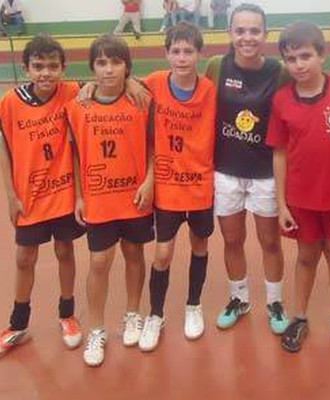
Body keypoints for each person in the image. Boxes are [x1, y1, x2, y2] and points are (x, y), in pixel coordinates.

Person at [267, 21, 330, 358]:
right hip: (301, 199)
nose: (299, 65)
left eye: (306, 56)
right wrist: (281, 203)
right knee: (306, 256)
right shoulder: (281, 100)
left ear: (322, 54)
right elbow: (279, 152)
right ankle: (300, 316)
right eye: (291, 59)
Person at [67, 34, 155, 367]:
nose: (108, 69)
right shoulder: (78, 105)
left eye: (116, 62)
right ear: (91, 67)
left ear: (127, 67)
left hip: (133, 195)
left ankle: (133, 314)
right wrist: (78, 195)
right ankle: (97, 329)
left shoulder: (142, 100)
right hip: (98, 198)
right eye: (101, 63)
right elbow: (74, 155)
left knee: (134, 253)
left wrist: (150, 179)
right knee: (99, 263)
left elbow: (152, 146)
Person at [204, 3, 290, 335]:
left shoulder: (279, 71)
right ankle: (239, 298)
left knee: (270, 242)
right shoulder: (216, 66)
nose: (247, 37)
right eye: (240, 30)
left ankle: (274, 302)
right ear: (230, 34)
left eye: (254, 30)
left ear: (265, 34)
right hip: (226, 171)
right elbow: (186, 91)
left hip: (266, 172)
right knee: (232, 239)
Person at [0, 34, 85, 357]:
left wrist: (80, 194)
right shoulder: (10, 102)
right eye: (38, 66)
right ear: (26, 69)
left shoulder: (73, 92)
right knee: (25, 257)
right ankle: (18, 323)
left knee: (65, 251)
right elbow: (5, 149)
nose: (45, 73)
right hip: (30, 194)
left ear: (64, 69)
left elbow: (113, 85)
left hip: (63, 192)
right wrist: (10, 194)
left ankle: (67, 314)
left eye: (53, 66)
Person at [137, 22, 216, 352]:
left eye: (188, 51)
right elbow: (118, 87)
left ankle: (193, 305)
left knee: (199, 246)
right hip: (168, 186)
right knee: (163, 253)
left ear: (199, 53)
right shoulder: (152, 84)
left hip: (200, 185)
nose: (182, 57)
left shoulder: (210, 89)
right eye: (176, 51)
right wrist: (85, 89)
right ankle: (155, 314)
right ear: (165, 53)